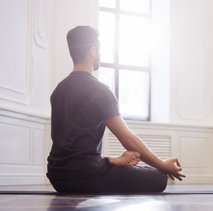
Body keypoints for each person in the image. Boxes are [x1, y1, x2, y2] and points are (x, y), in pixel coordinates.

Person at [46, 26, 185, 193]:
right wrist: (162, 165)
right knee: (159, 178)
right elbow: (127, 139)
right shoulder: (99, 91)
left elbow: (71, 149)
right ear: (92, 51)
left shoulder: (58, 91)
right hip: (86, 177)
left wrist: (111, 161)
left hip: (57, 177)